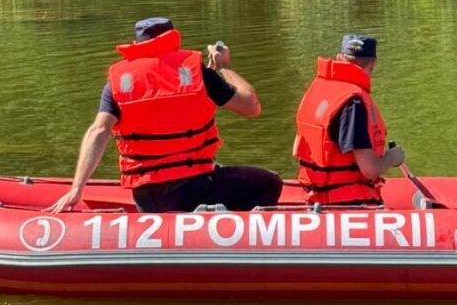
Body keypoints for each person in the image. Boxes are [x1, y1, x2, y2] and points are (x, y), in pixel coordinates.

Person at [48, 17, 283, 213]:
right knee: (268, 182)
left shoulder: (119, 82)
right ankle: (233, 245)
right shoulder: (196, 72)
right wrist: (224, 68)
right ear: (172, 38)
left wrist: (77, 188)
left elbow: (98, 131)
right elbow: (251, 106)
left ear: (136, 44)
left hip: (146, 196)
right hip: (193, 187)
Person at [293, 34, 405, 206]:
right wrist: (392, 158)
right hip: (347, 204)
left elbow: (296, 151)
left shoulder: (318, 90)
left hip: (315, 200)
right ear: (373, 63)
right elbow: (370, 170)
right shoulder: (354, 102)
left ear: (339, 58)